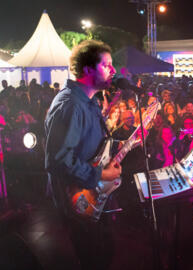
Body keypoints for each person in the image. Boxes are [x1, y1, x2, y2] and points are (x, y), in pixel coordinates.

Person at [44, 40, 121, 269]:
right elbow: (58, 160)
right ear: (88, 69)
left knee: (105, 252)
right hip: (78, 198)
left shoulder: (89, 102)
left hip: (90, 194)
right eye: (106, 65)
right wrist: (100, 175)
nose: (113, 70)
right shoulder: (71, 105)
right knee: (95, 257)